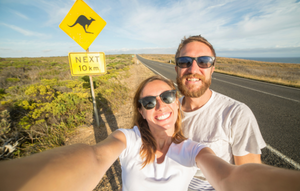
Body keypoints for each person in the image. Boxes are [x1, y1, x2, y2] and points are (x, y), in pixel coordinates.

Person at [1, 75, 299, 191]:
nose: (160, 105)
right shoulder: (127, 140)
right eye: (148, 102)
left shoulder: (192, 149)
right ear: (141, 111)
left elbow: (230, 176)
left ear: (177, 103)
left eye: (167, 97)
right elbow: (93, 157)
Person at [174, 35, 267, 190]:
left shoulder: (236, 114)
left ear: (212, 69)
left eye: (204, 62)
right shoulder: (166, 113)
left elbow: (252, 180)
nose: (193, 69)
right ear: (177, 69)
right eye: (185, 61)